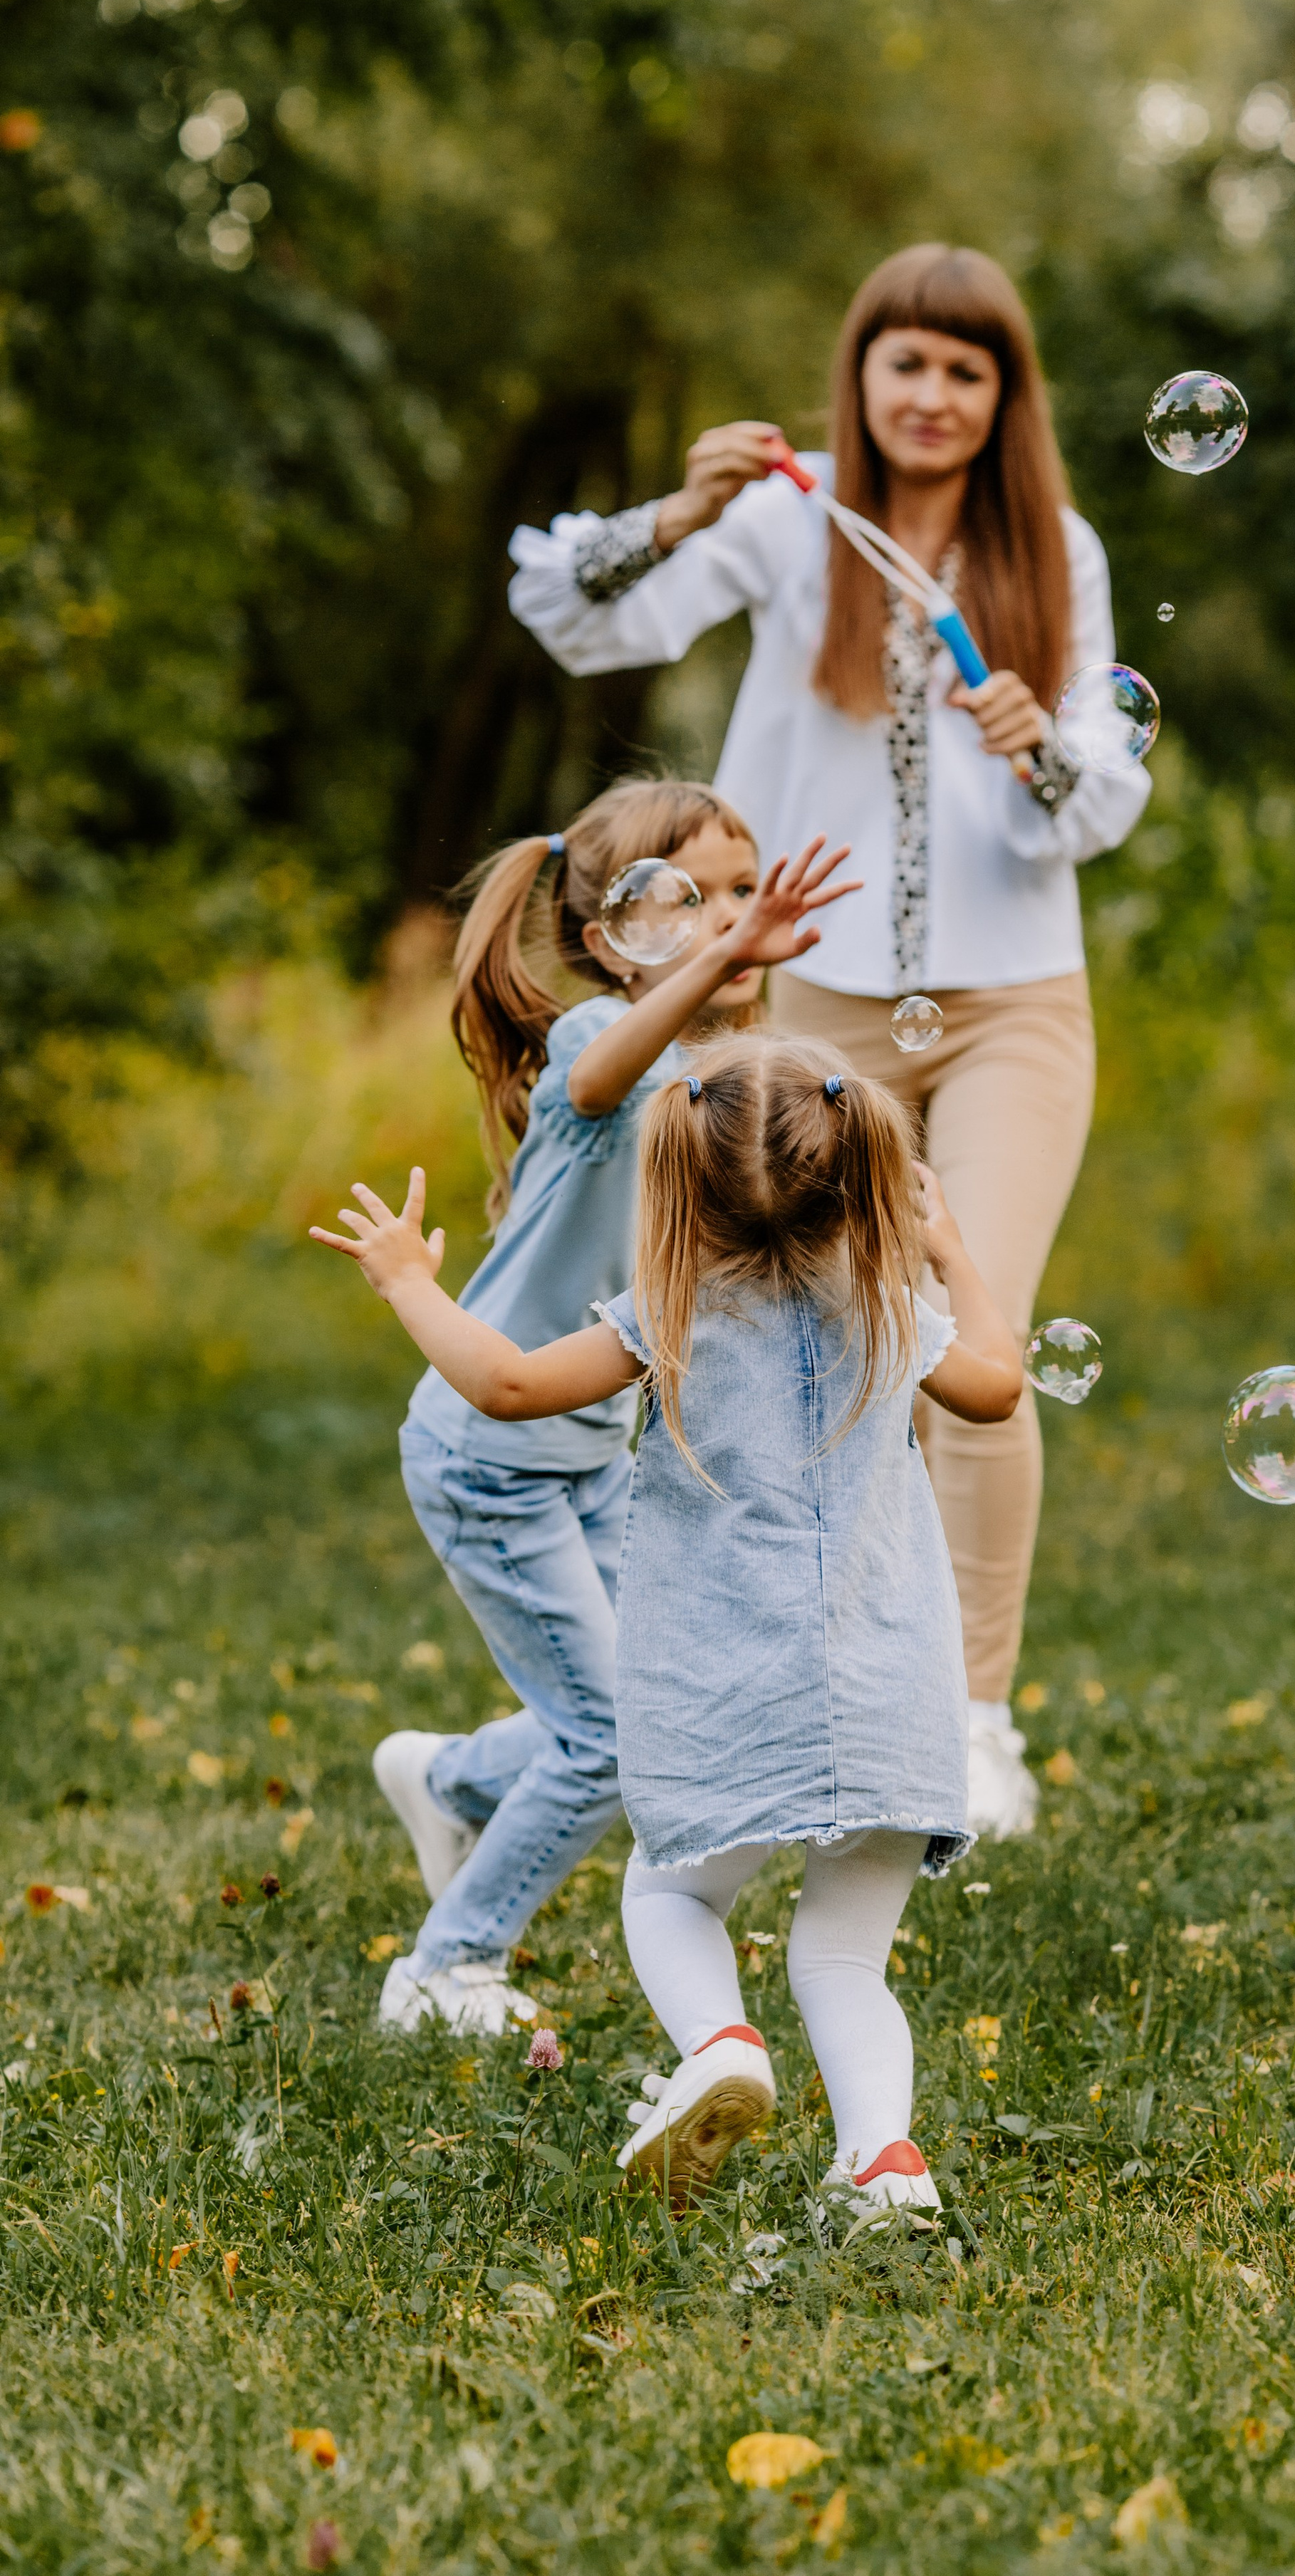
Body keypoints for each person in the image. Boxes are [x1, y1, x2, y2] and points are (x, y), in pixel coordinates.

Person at [506, 243, 1150, 1838]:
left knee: (965, 1344)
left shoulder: (1049, 550)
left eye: (966, 370)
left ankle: (973, 1714)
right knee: (795, 1348)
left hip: (1014, 1004)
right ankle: (795, 1686)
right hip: (801, 1010)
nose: (931, 397)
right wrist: (671, 514)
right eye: (905, 363)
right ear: (859, 378)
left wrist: (1037, 753)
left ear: (1005, 400)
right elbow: (566, 618)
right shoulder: (788, 524)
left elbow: (1104, 801)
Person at [311, 1031, 1025, 2220]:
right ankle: (884, 2164)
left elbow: (506, 1388)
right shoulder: (896, 1310)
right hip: (898, 1701)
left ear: (676, 1188)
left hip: (732, 1688)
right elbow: (999, 1388)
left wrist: (410, 1284)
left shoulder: (673, 1316)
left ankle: (719, 2045)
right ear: (862, 1177)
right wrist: (950, 1252)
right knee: (845, 1959)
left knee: (674, 1897)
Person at [348, 777, 858, 2034]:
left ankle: (449, 1778)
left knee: (641, 1702)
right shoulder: (598, 1045)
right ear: (610, 936)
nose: (735, 920)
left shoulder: (730, 1078)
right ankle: (446, 1967)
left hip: (585, 1449)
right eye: (694, 901)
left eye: (745, 892)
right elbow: (610, 1079)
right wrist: (725, 960)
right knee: (608, 1739)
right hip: (490, 1450)